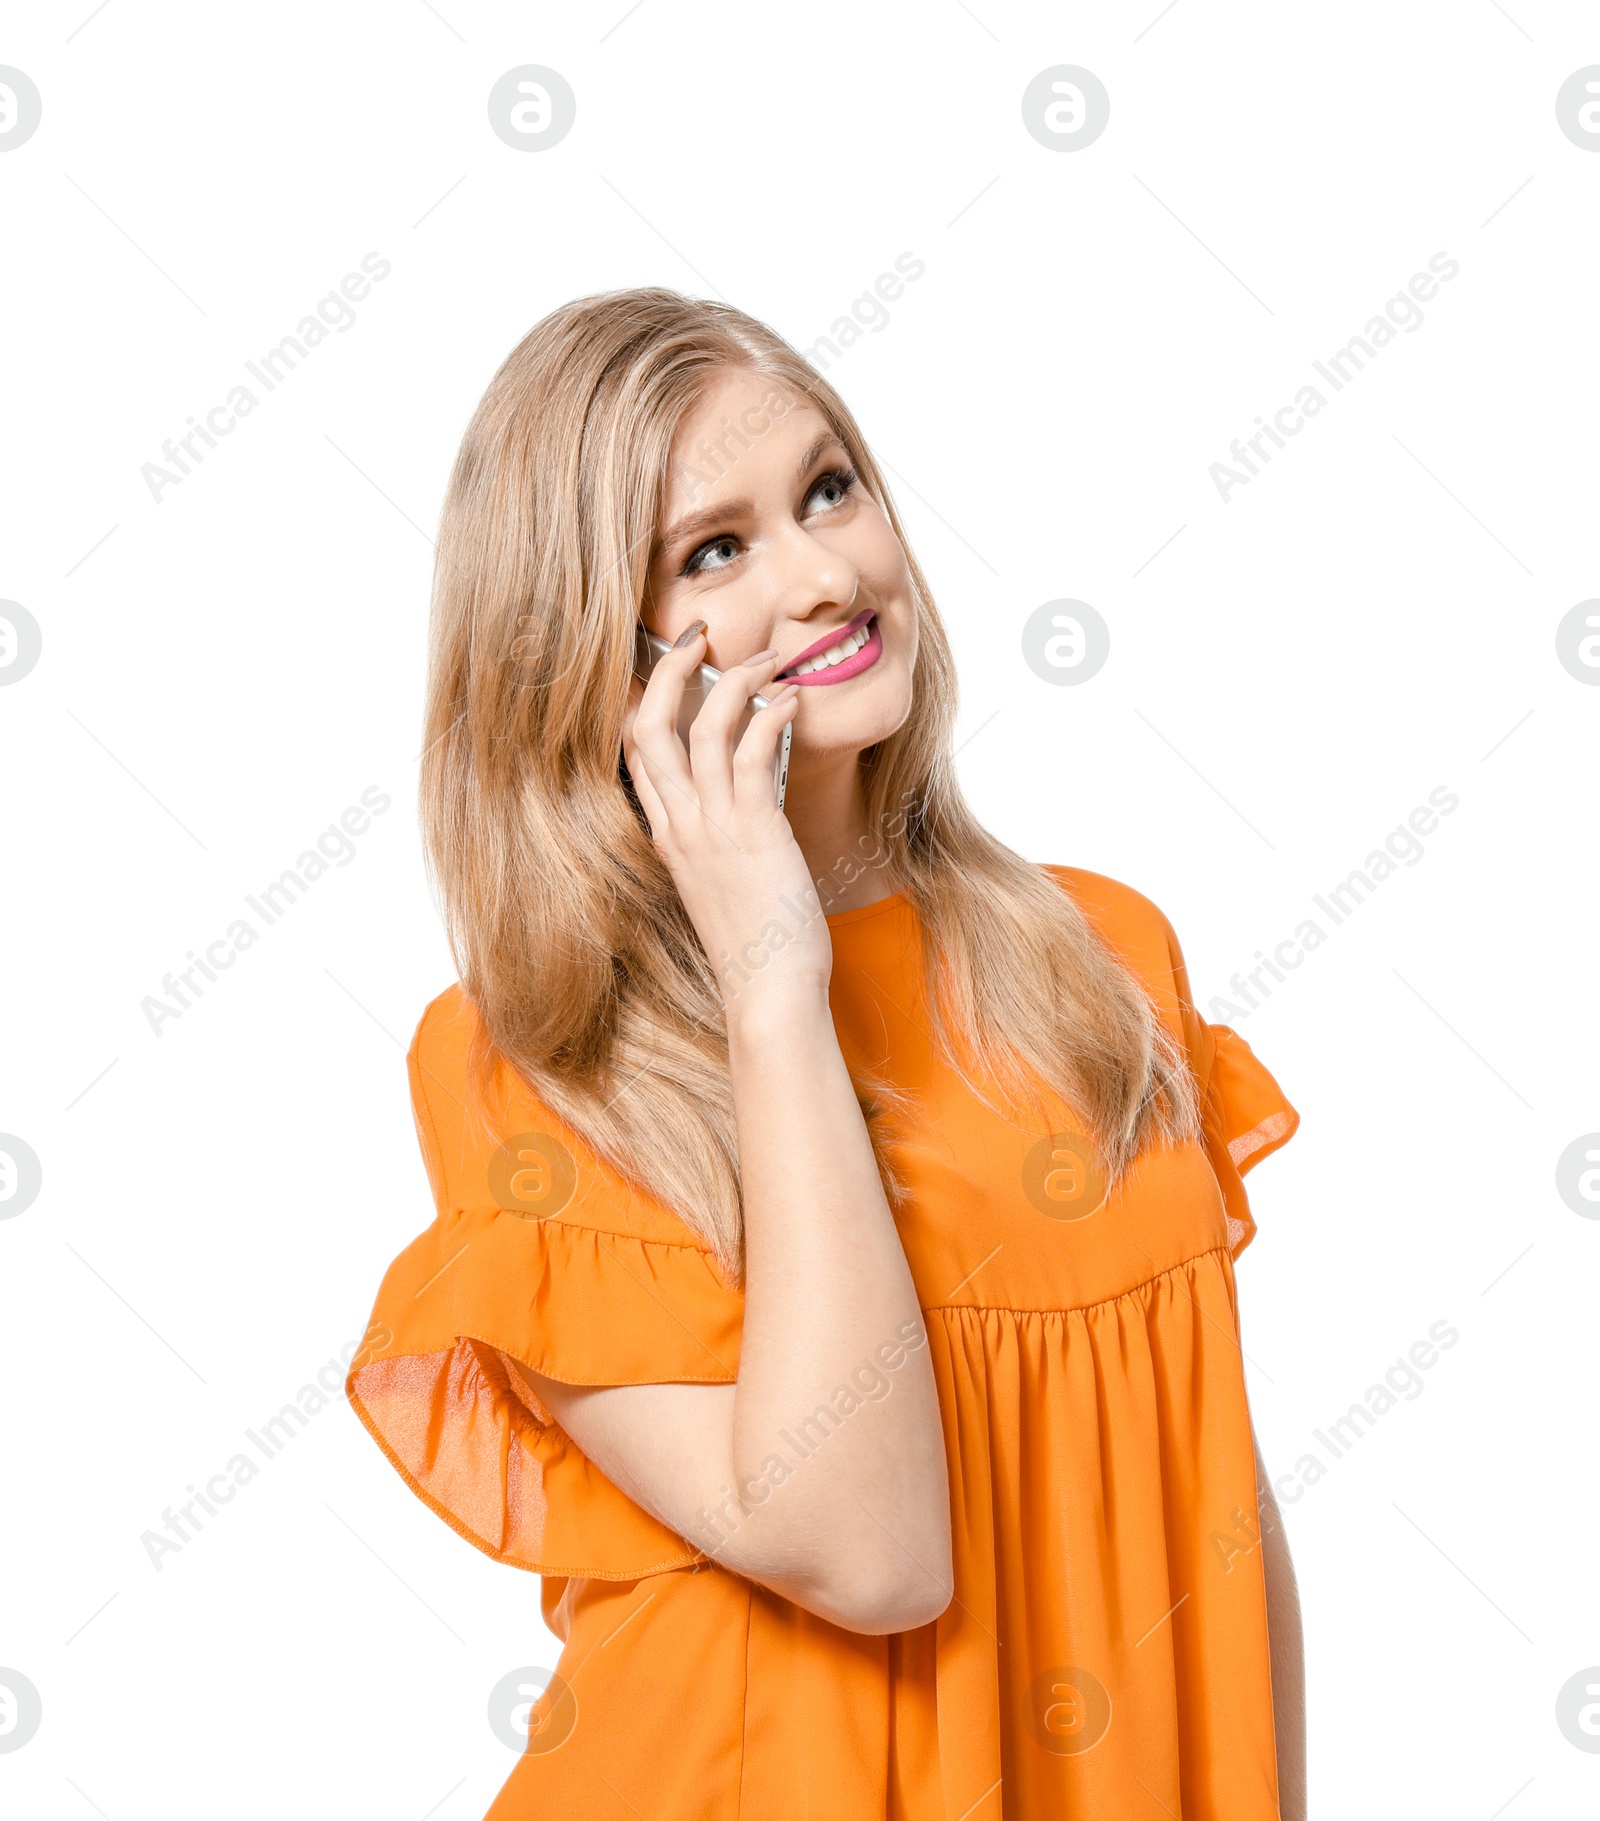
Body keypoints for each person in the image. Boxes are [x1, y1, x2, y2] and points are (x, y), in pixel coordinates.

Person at [346, 287, 1305, 1819]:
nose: (822, 575)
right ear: (591, 641)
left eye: (829, 487)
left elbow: (1212, 1488)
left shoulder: (1101, 957)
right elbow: (872, 1555)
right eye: (713, 550)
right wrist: (772, 981)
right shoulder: (539, 1057)